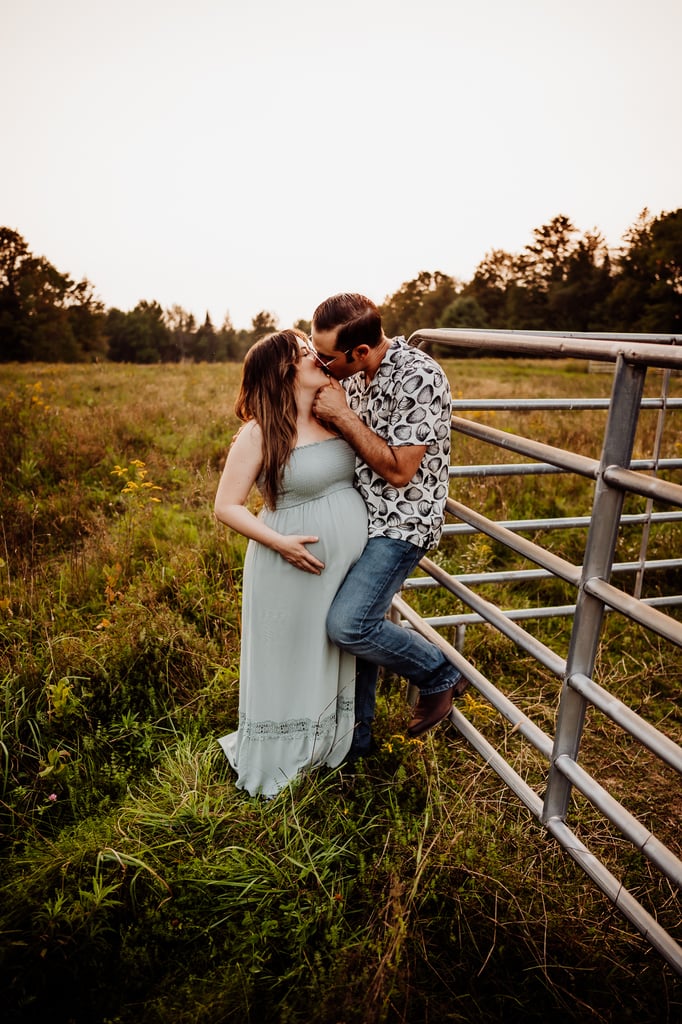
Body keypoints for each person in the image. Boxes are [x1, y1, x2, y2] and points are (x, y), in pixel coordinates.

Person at [311, 293, 468, 759]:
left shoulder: (419, 376)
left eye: (327, 357)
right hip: (358, 517)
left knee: (349, 625)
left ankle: (438, 673)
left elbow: (400, 471)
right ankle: (357, 740)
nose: (322, 365)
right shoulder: (354, 373)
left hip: (401, 522)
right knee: (352, 625)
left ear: (360, 352)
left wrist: (343, 416)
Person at [214, 328, 368, 798]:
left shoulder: (334, 411)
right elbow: (227, 505)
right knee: (291, 657)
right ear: (284, 371)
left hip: (340, 569)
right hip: (288, 567)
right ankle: (283, 755)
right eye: (305, 353)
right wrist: (280, 543)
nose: (317, 358)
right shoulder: (261, 430)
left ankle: (324, 746)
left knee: (329, 651)